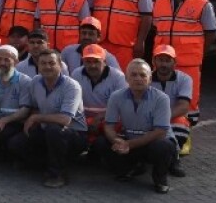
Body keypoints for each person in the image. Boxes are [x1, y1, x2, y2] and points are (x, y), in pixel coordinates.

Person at [94, 59, 177, 194]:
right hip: (130, 141)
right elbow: (108, 126)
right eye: (133, 75)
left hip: (152, 142)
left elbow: (160, 132)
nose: (138, 79)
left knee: (163, 146)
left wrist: (129, 144)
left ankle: (160, 179)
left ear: (150, 79)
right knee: (101, 143)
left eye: (143, 75)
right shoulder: (116, 96)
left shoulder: (162, 98)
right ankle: (127, 169)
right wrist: (117, 141)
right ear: (126, 78)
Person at [9, 49, 88, 188]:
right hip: (46, 129)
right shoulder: (35, 82)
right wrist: (31, 121)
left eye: (52, 63)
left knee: (54, 130)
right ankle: (47, 163)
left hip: (73, 133)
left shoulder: (72, 86)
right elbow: (34, 107)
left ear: (60, 65)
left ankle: (57, 174)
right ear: (38, 66)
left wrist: (36, 118)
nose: (47, 67)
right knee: (16, 143)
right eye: (43, 63)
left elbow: (65, 120)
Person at [152, 0, 216, 116]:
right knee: (158, 99)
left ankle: (185, 135)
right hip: (162, 62)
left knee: (189, 105)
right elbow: (156, 28)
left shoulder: (203, 4)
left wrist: (198, 53)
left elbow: (211, 34)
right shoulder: (160, 1)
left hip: (188, 63)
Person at [150, 44, 194, 173]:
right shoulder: (146, 79)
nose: (164, 64)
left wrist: (163, 118)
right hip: (149, 118)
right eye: (160, 60)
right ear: (154, 62)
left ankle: (174, 159)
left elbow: (183, 106)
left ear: (175, 62)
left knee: (181, 125)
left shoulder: (185, 79)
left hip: (172, 117)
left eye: (167, 60)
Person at [70, 44, 126, 142]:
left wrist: (98, 119)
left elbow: (122, 107)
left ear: (104, 61)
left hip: (109, 120)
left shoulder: (118, 77)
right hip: (83, 120)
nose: (92, 65)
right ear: (83, 61)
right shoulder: (76, 74)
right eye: (88, 61)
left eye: (96, 61)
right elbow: (72, 102)